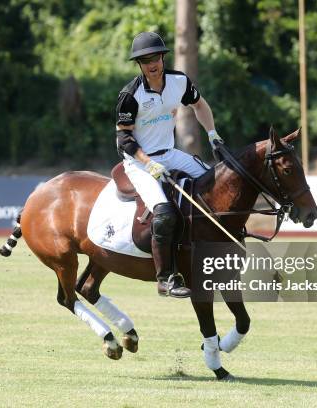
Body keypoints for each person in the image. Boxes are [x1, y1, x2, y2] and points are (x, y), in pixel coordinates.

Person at [115, 32, 224, 298]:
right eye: (144, 60)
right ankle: (166, 278)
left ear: (163, 57)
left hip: (171, 153)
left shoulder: (179, 81)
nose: (151, 63)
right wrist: (147, 163)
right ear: (139, 64)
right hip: (139, 162)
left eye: (155, 57)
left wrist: (212, 135)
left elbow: (200, 106)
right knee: (164, 214)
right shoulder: (130, 95)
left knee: (215, 184)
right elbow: (123, 139)